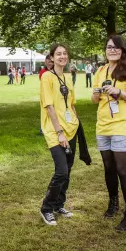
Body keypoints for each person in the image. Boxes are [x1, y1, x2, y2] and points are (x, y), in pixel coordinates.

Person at [92, 35, 126, 231]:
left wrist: (118, 92)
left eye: (115, 47)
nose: (111, 50)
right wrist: (97, 94)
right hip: (103, 125)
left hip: (123, 124)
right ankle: (113, 203)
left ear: (122, 50)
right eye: (108, 47)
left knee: (123, 170)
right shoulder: (101, 70)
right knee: (108, 168)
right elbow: (95, 100)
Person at [40, 43, 79, 226]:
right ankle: (46, 208)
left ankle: (58, 205)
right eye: (58, 54)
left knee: (68, 170)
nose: (62, 56)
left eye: (64, 53)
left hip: (71, 130)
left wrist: (75, 123)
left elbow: (71, 104)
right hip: (55, 131)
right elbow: (49, 107)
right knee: (61, 171)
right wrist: (60, 132)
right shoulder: (47, 77)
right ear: (52, 58)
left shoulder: (68, 76)